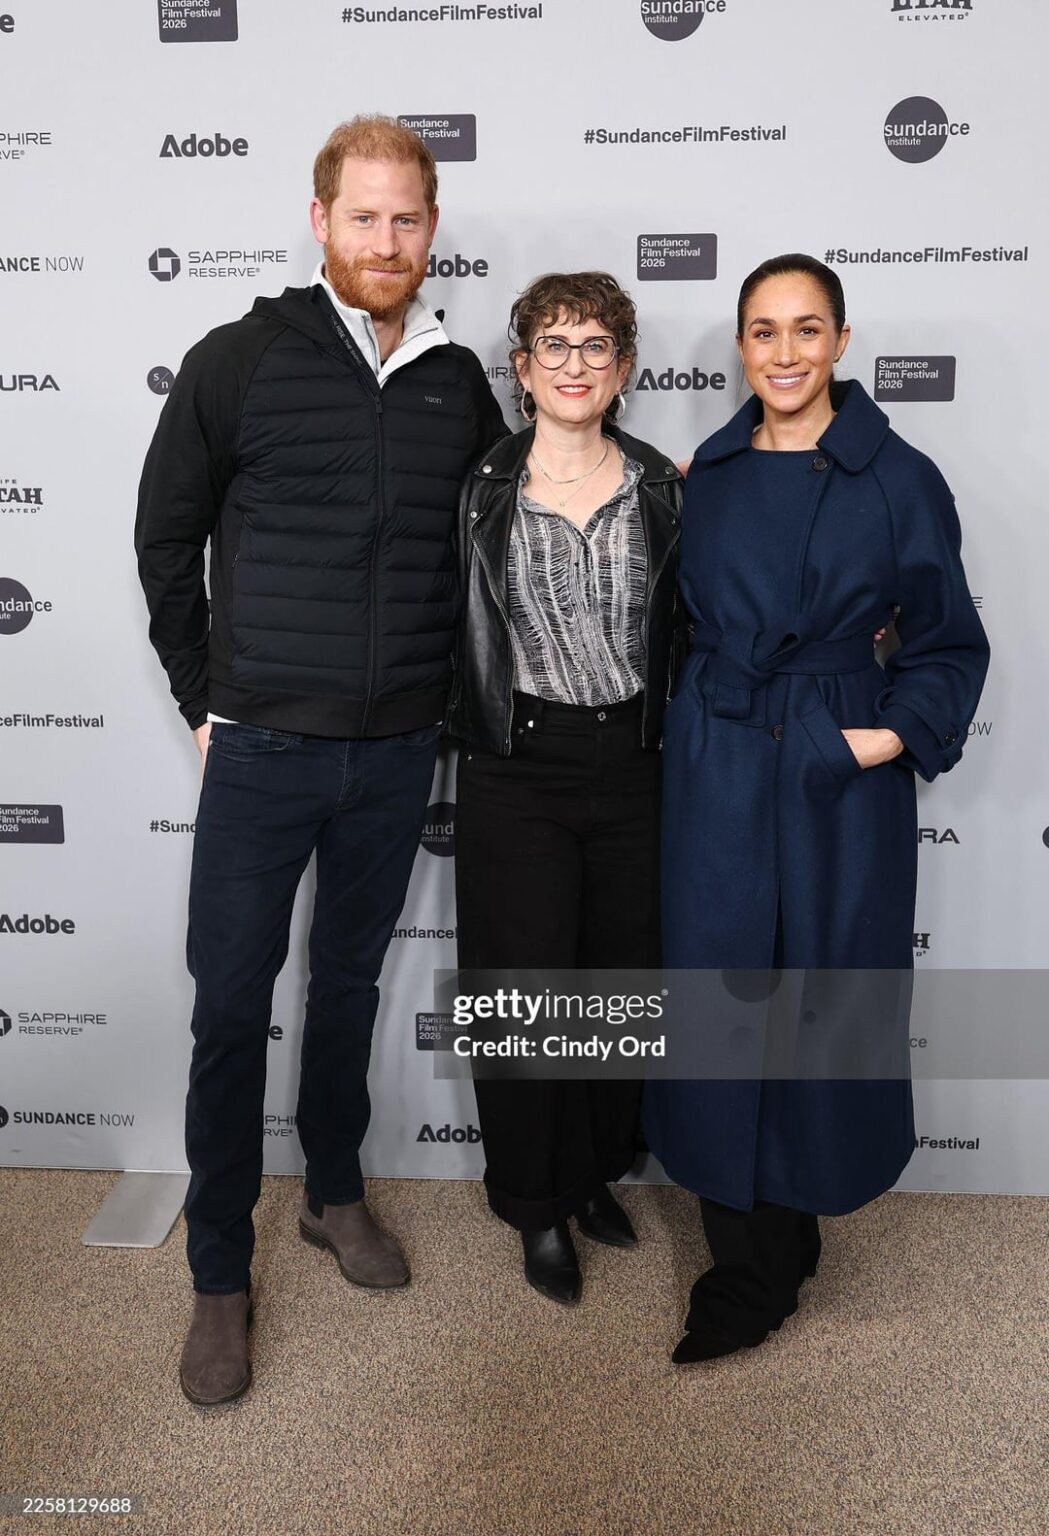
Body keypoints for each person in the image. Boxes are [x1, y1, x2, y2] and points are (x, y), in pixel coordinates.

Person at [135, 115, 506, 1405]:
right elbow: (165, 538)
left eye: (405, 219)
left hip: (395, 750)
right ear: (319, 221)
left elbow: (494, 536)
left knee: (347, 982)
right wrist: (204, 699)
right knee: (231, 1008)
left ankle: (332, 1189)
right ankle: (218, 1271)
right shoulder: (238, 359)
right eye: (363, 217)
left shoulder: (456, 378)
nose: (385, 240)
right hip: (264, 748)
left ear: (430, 229)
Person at [644, 253, 989, 1364]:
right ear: (740, 347)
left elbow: (947, 640)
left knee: (821, 993)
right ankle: (744, 1262)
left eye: (805, 329)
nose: (783, 352)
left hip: (833, 764)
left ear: (840, 342)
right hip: (718, 755)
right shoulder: (709, 470)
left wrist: (874, 741)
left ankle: (792, 1227)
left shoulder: (899, 477)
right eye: (762, 330)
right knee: (717, 993)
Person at [447, 272, 684, 1304]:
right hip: (518, 763)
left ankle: (591, 1175)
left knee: (617, 986)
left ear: (623, 367)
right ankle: (532, 1203)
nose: (574, 365)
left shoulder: (664, 486)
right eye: (554, 345)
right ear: (522, 367)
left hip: (635, 763)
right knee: (523, 995)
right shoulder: (479, 489)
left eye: (595, 346)